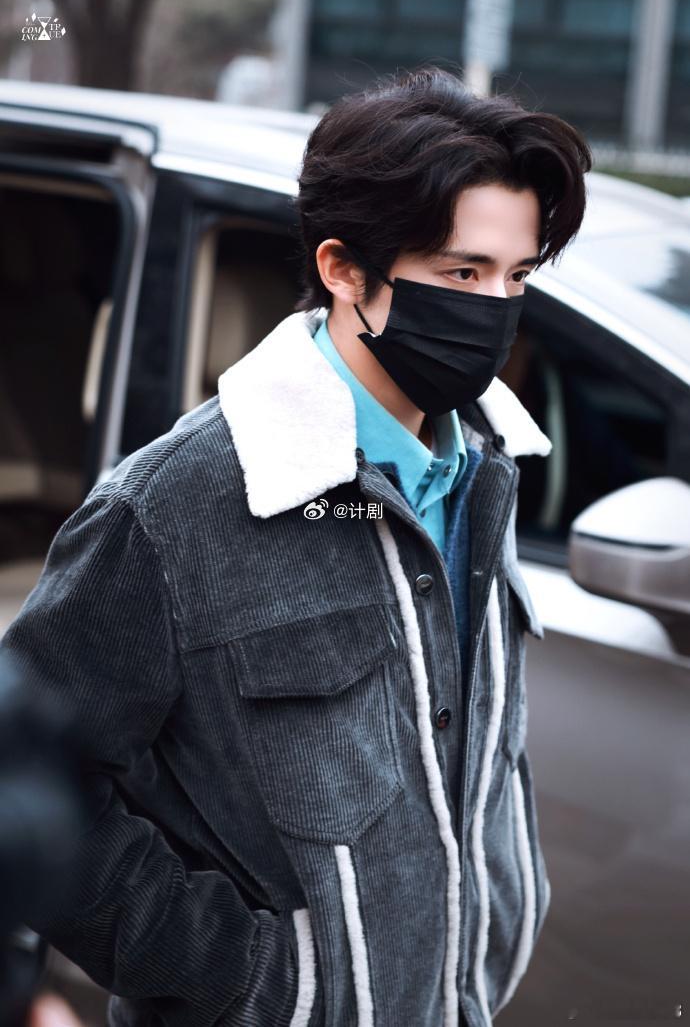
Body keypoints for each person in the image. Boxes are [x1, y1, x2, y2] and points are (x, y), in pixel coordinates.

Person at [1, 66, 591, 1027]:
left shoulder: (487, 459)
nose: (495, 309)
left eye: (516, 276)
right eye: (461, 274)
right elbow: (29, 778)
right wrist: (245, 973)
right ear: (344, 269)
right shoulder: (173, 504)